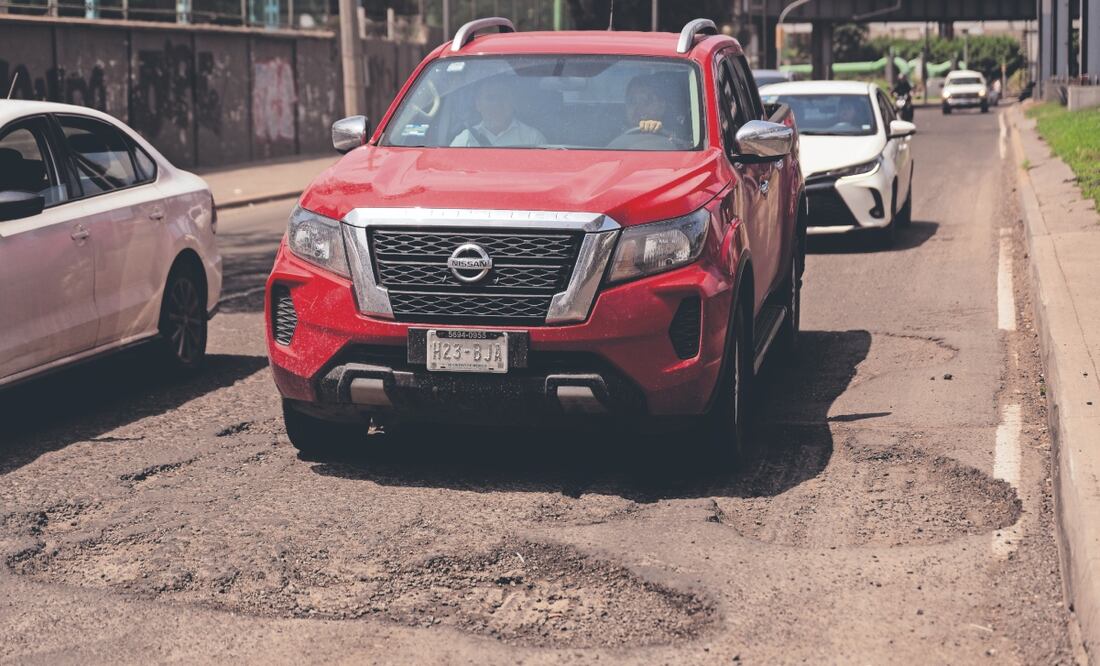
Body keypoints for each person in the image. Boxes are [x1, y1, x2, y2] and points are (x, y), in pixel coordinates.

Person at [451, 78, 546, 147]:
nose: (497, 104)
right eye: (490, 98)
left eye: (503, 97)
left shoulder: (532, 138)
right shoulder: (465, 139)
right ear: (478, 104)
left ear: (513, 102)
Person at [607, 74, 687, 149]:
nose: (638, 108)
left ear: (661, 105)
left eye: (646, 101)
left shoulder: (678, 134)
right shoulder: (610, 133)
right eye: (632, 102)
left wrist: (658, 131)